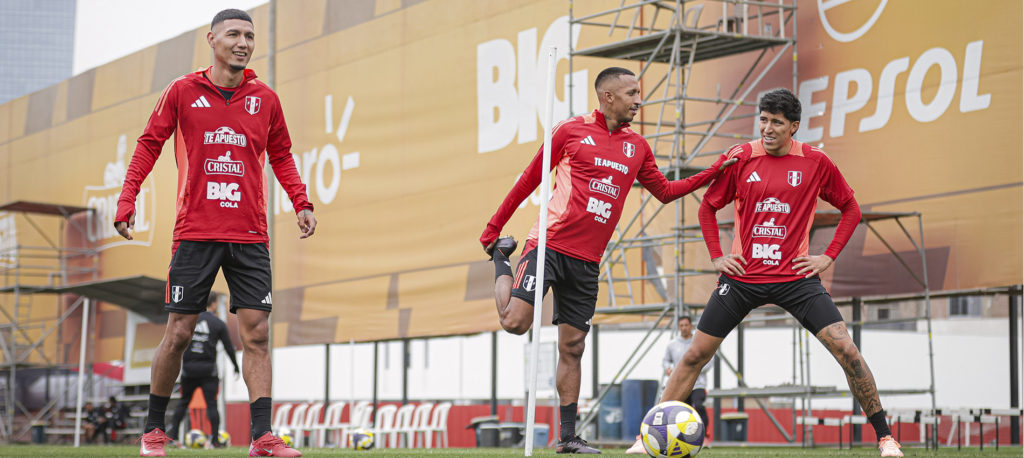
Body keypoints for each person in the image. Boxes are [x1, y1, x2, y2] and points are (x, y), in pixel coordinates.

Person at [627, 88, 903, 457]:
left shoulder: (816, 162)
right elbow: (708, 208)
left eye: (776, 122)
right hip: (741, 279)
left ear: (794, 126)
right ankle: (649, 439)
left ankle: (886, 438)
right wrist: (717, 256)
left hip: (797, 280)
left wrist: (827, 256)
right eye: (763, 120)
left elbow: (851, 208)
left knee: (847, 350)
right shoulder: (740, 157)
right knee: (693, 355)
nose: (767, 128)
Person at [481, 67, 736, 454]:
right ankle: (502, 259)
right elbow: (527, 182)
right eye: (633, 93)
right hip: (548, 246)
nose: (639, 100)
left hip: (587, 262)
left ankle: (567, 437)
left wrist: (714, 170)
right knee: (515, 323)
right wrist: (493, 229)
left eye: (640, 93)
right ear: (608, 96)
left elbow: (666, 191)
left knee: (574, 347)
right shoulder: (570, 131)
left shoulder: (637, 146)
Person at [114, 9, 316, 457]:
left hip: (251, 235)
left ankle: (262, 437)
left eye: (249, 35)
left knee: (258, 332)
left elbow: (281, 154)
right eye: (233, 34)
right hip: (196, 231)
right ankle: (152, 432)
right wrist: (127, 199)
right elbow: (150, 142)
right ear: (211, 39)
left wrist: (301, 201)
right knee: (180, 331)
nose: (243, 42)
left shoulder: (265, 98)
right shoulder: (183, 91)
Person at [166, 292, 241, 448]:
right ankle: (214, 441)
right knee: (211, 405)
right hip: (208, 371)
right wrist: (235, 366)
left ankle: (172, 437)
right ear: (213, 304)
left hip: (188, 370)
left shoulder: (189, 319)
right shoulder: (218, 323)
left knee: (183, 403)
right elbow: (228, 347)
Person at [661, 317, 711, 433]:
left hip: (697, 384)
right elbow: (665, 361)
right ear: (679, 327)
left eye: (686, 325)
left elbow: (709, 361)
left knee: (698, 406)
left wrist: (693, 369)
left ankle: (705, 435)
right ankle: (683, 437)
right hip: (679, 384)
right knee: (680, 412)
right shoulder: (672, 345)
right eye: (681, 325)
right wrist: (667, 368)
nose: (684, 328)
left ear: (691, 326)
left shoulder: (699, 342)